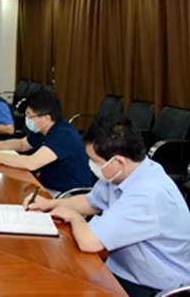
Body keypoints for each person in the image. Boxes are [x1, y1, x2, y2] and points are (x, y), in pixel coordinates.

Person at [25, 114, 190, 297]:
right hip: (122, 270)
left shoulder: (147, 194)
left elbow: (89, 242)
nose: (91, 165)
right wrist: (51, 203)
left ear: (118, 161)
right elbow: (92, 201)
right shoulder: (125, 172)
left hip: (152, 287)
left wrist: (75, 218)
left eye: (95, 161)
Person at [0, 90, 95, 196]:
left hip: (67, 194)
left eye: (30, 115)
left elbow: (32, 163)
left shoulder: (64, 135)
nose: (27, 119)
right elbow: (22, 144)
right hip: (46, 184)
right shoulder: (42, 129)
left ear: (46, 118)